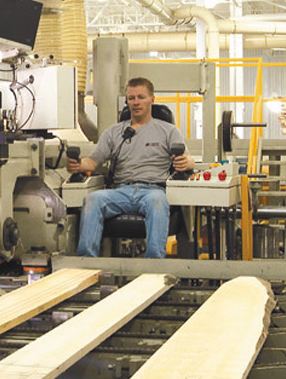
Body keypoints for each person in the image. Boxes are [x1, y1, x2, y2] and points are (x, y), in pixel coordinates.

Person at [67, 77, 195, 258]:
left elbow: (187, 159)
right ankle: (88, 263)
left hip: (153, 190)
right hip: (121, 191)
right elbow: (93, 162)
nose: (136, 102)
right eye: (131, 98)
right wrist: (77, 165)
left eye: (141, 97)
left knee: (157, 202)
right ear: (127, 101)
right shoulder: (113, 132)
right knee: (92, 200)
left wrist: (188, 162)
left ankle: (153, 265)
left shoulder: (168, 131)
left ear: (152, 99)